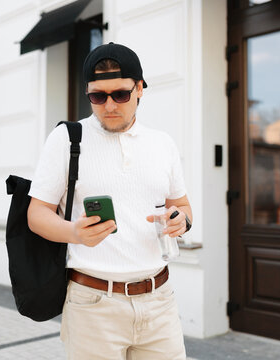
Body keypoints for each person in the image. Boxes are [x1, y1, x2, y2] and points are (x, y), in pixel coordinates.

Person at [27, 42, 192, 360]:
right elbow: (37, 214)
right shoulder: (66, 139)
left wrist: (180, 220)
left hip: (159, 301)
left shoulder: (162, 144)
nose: (109, 105)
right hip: (93, 304)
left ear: (140, 88)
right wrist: (74, 233)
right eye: (97, 96)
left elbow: (183, 207)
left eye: (121, 94)